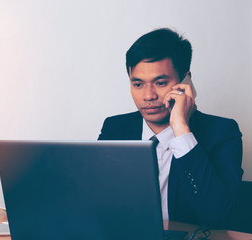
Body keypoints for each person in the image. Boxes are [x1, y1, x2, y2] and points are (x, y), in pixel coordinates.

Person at [98, 28, 243, 228]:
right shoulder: (115, 128)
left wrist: (181, 129)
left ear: (186, 81)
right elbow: (95, 202)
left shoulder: (221, 132)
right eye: (138, 84)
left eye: (160, 82)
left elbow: (219, 217)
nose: (148, 96)